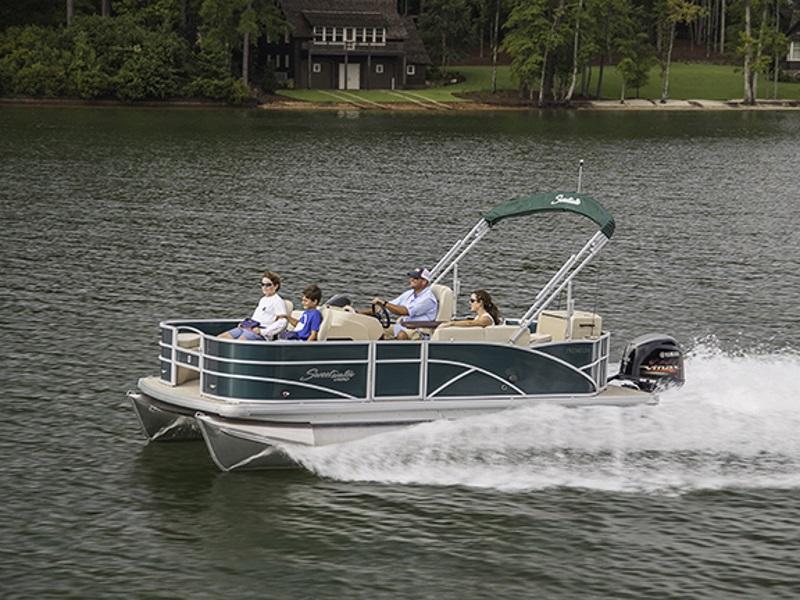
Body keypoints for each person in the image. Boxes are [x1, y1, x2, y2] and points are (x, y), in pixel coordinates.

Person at [368, 267, 439, 340]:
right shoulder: (409, 293)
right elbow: (388, 307)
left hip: (419, 331)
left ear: (424, 282)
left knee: (401, 335)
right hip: (404, 327)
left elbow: (404, 311)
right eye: (411, 277)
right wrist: (360, 313)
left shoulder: (428, 299)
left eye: (415, 278)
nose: (411, 279)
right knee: (375, 330)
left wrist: (384, 303)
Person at [219, 271, 288, 341]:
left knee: (240, 341)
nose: (264, 287)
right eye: (263, 284)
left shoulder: (277, 301)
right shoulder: (263, 299)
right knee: (222, 337)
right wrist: (246, 325)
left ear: (276, 286)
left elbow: (282, 322)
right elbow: (257, 318)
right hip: (250, 328)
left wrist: (263, 331)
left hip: (261, 333)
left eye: (268, 285)